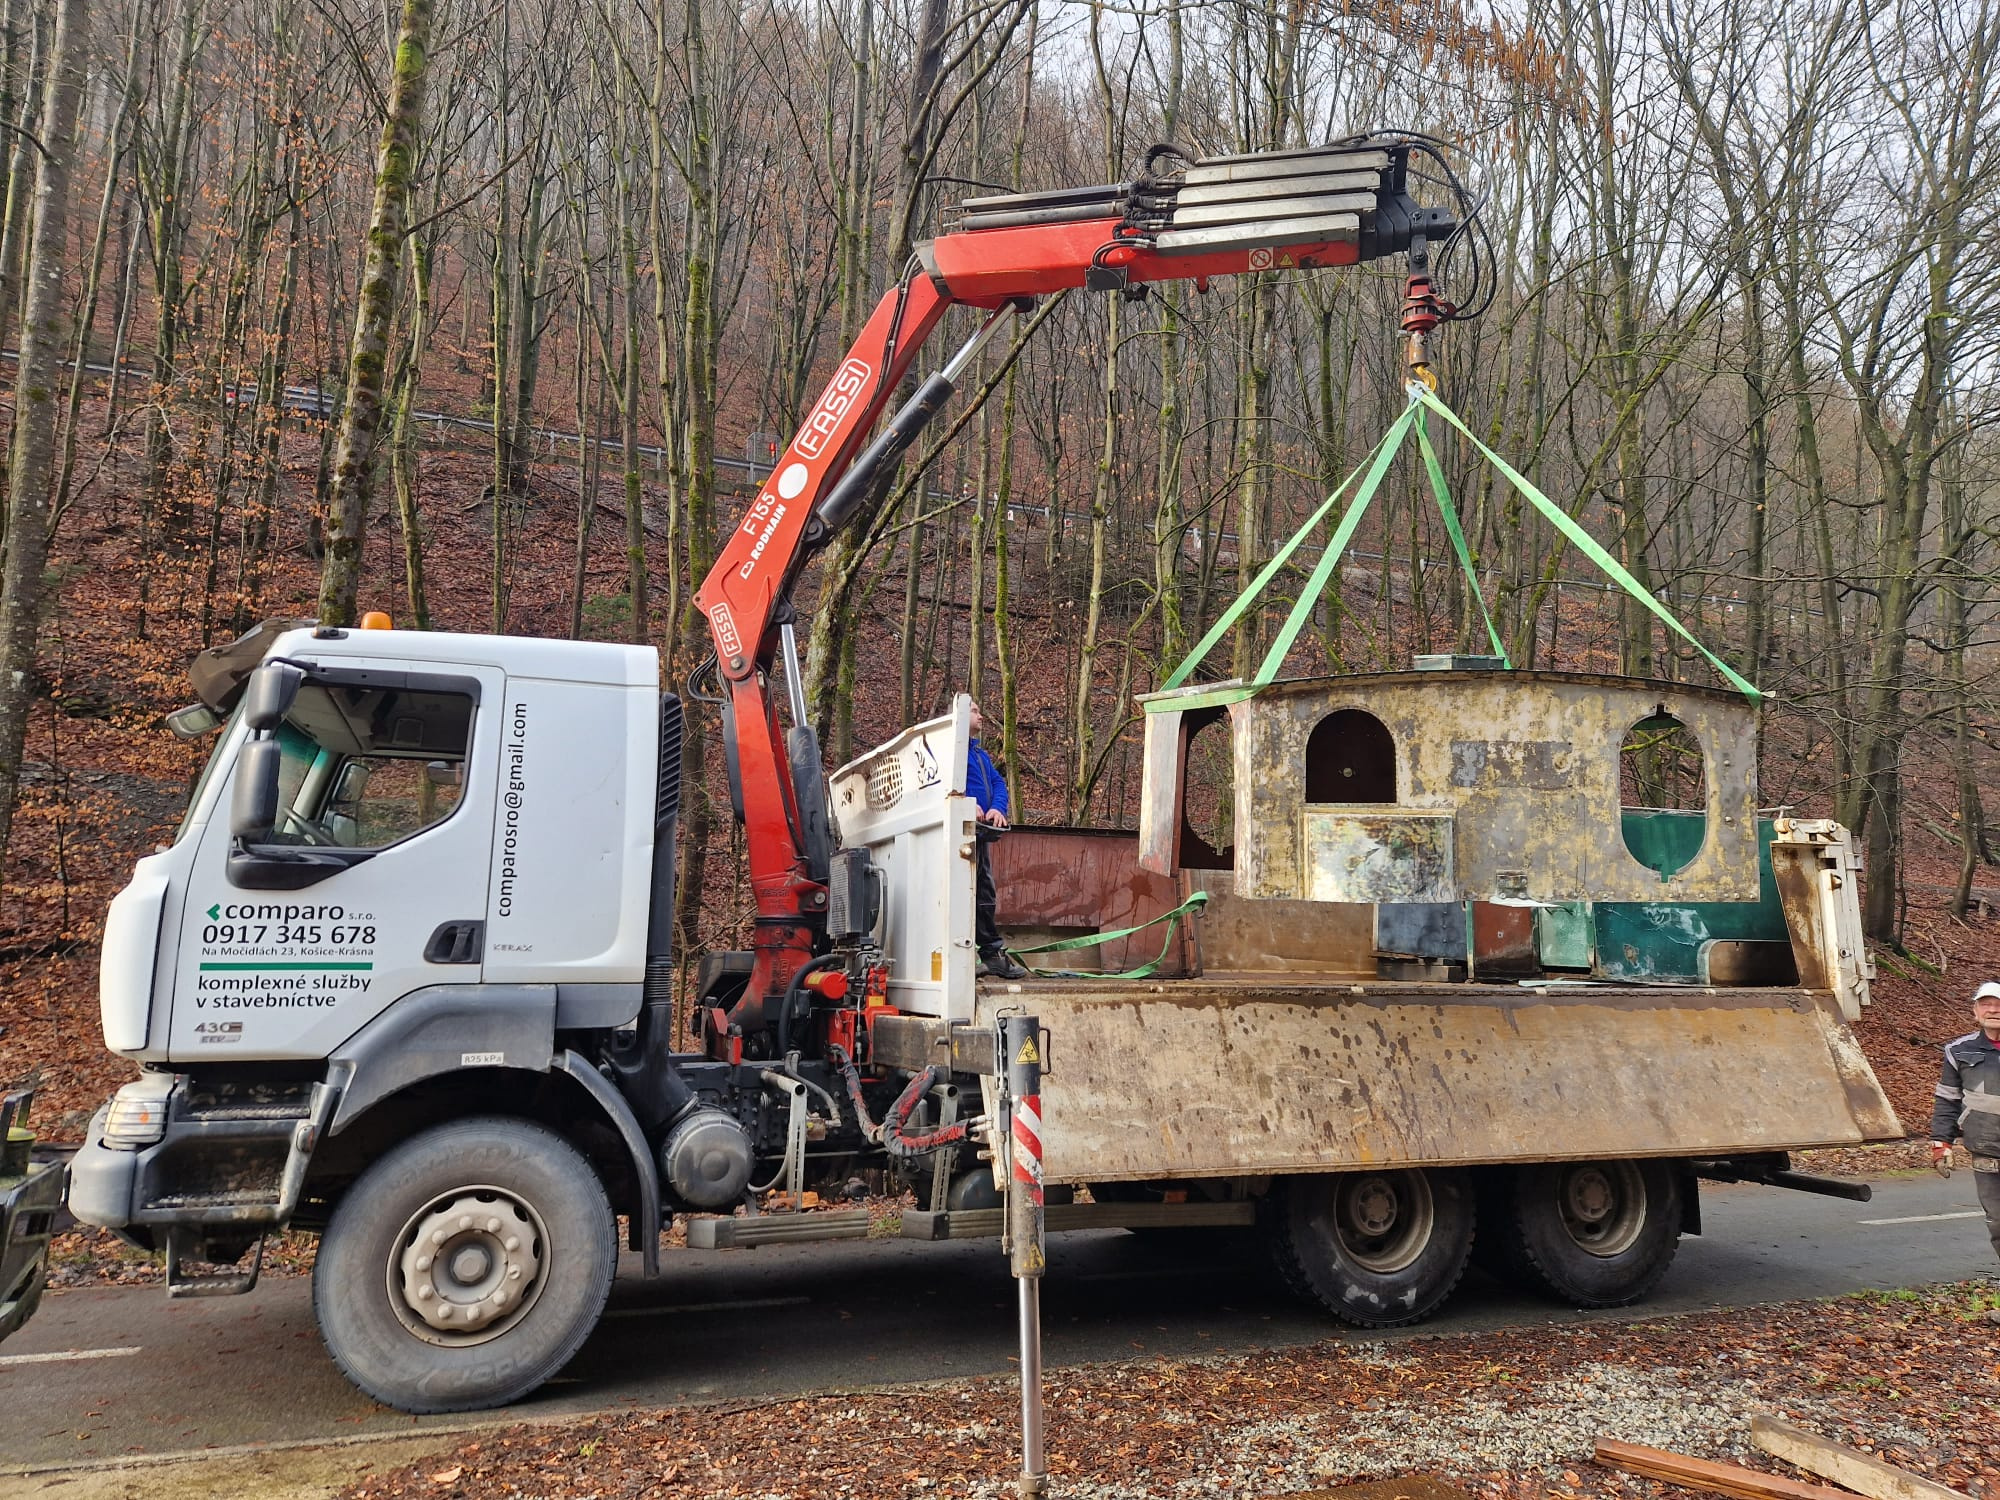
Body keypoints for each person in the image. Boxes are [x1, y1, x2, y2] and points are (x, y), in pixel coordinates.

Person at [1930, 979, 2000, 1316]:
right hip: (1986, 1150)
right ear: (1975, 1011)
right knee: (1998, 1225)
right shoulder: (1959, 1051)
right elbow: (1947, 1100)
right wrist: (1941, 1143)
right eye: (1986, 1004)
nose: (1993, 1009)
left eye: (1998, 1004)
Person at [966, 701, 1026, 980]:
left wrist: (997, 809)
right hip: (959, 836)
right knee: (966, 895)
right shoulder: (947, 752)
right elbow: (942, 785)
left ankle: (991, 956)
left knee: (985, 894)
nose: (981, 716)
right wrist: (968, 803)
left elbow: (999, 783)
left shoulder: (980, 754)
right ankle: (985, 955)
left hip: (980, 835)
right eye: (975, 711)